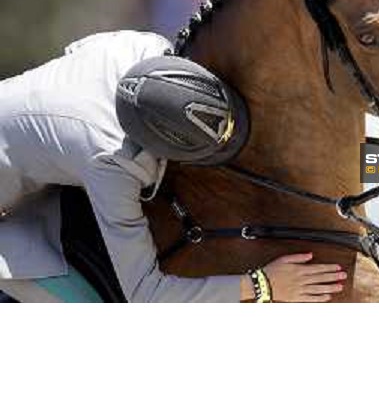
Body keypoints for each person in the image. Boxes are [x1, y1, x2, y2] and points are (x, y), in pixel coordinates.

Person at [0, 30, 346, 303]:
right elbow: (146, 294)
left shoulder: (146, 46)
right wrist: (261, 285)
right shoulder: (113, 161)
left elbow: (76, 51)